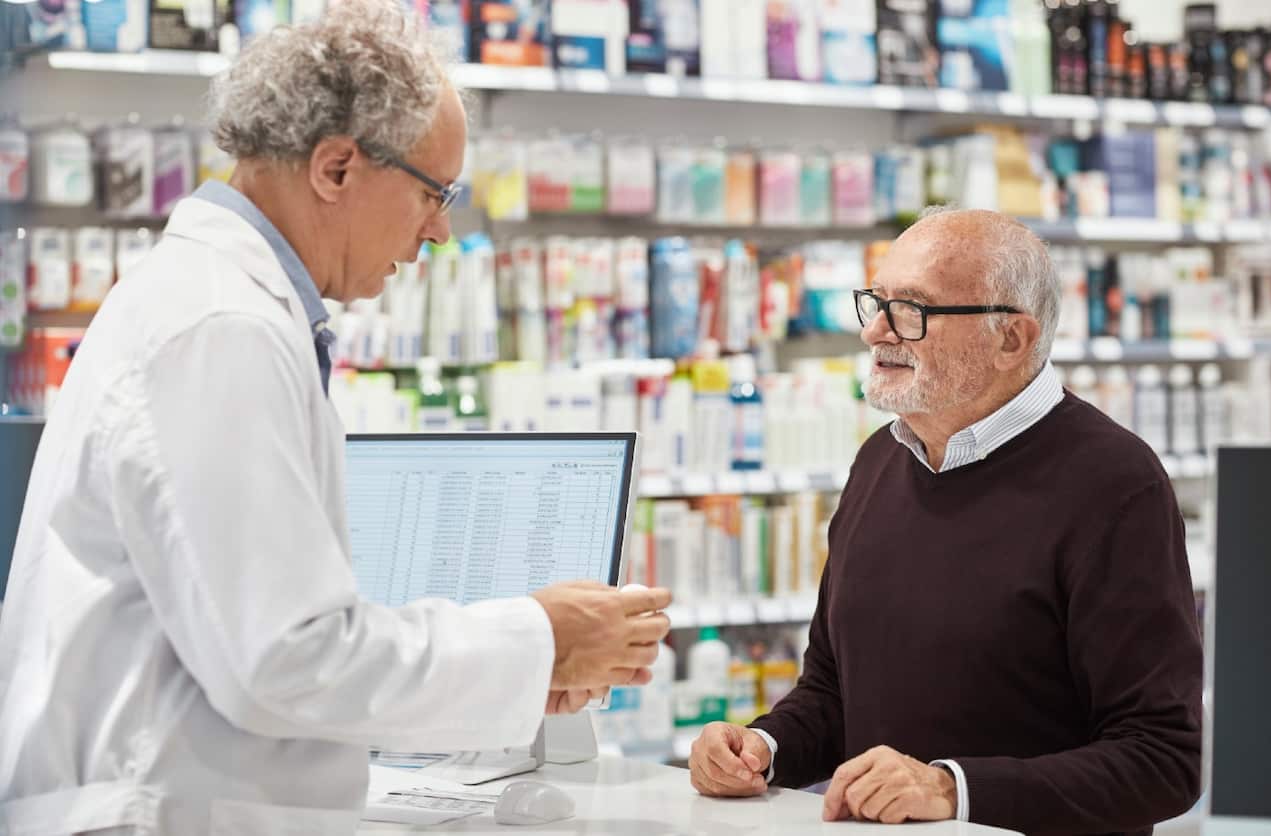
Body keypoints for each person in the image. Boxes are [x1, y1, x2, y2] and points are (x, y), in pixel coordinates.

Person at [0, 3, 670, 834]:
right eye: (434, 192)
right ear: (337, 168)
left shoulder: (230, 308)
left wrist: (526, 669)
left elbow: (275, 651)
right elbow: (287, 660)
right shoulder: (221, 327)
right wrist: (538, 640)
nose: (440, 231)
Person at [688, 208, 1202, 835]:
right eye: (877, 302)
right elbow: (833, 694)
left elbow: (1161, 760)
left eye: (913, 310)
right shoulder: (879, 461)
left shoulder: (1115, 484)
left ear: (1010, 338)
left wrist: (952, 790)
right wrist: (763, 749)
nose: (876, 331)